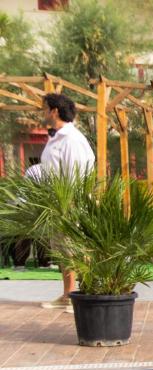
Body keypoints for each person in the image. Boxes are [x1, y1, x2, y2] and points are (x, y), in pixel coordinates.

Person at [25, 93, 96, 310]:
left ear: (54, 111)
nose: (42, 113)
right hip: (56, 203)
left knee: (75, 250)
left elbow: (76, 173)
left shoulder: (72, 139)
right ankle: (68, 295)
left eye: (44, 108)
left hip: (70, 204)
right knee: (62, 251)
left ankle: (86, 296)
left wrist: (70, 204)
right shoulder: (57, 138)